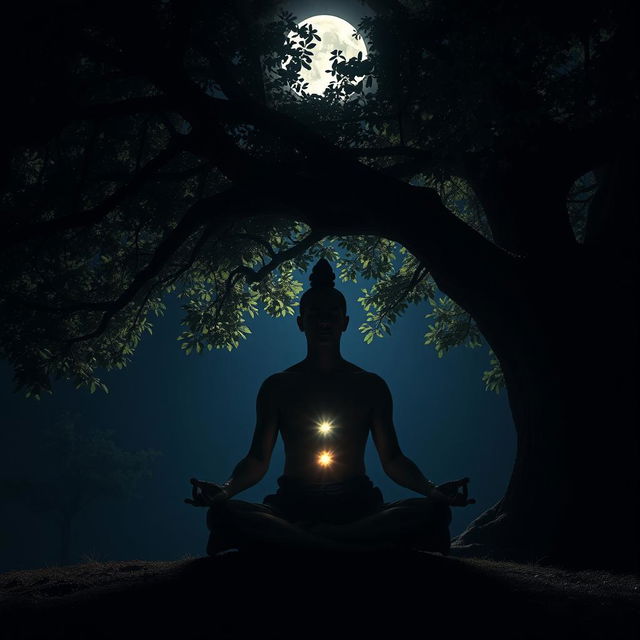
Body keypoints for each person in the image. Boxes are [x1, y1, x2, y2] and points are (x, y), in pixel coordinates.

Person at [185, 258, 475, 555]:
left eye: (331, 315)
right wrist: (224, 490)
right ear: (301, 322)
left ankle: (316, 541)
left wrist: (432, 490)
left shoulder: (370, 385)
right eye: (314, 315)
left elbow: (392, 459)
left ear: (345, 322)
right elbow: (258, 460)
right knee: (223, 513)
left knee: (434, 511)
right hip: (293, 503)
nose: (324, 322)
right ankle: (343, 544)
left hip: (357, 503)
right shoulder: (277, 386)